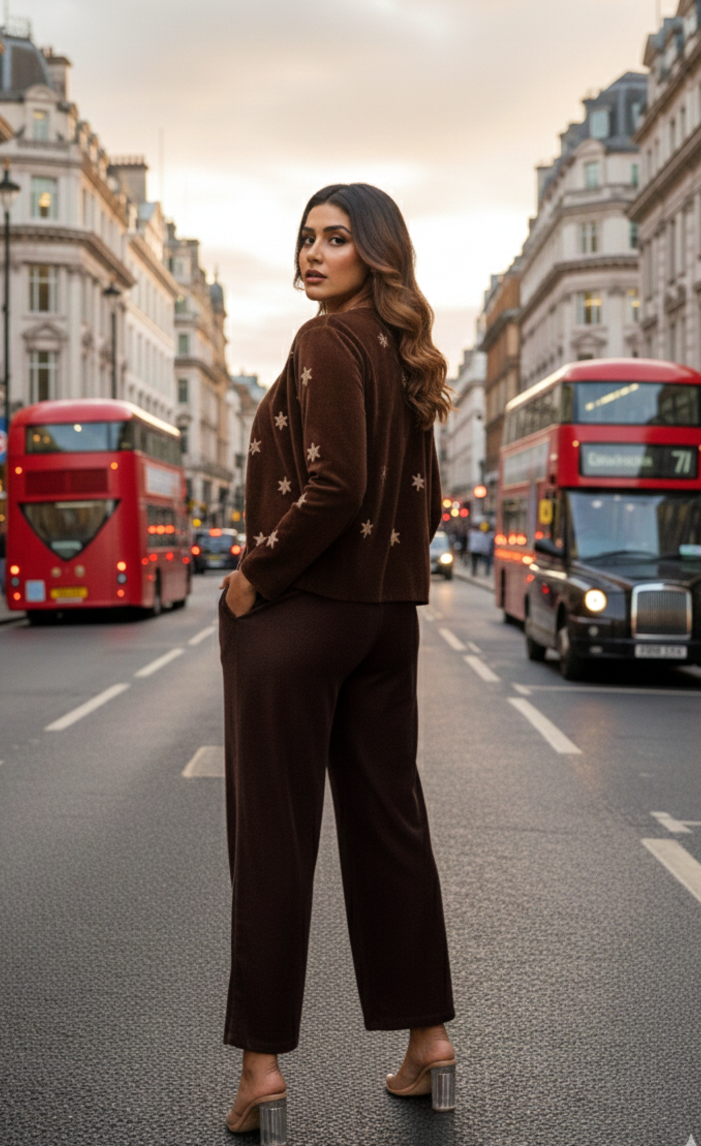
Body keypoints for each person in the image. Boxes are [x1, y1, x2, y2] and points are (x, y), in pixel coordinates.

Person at [219, 183, 456, 1139]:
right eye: (307, 237)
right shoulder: (406, 355)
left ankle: (262, 1071)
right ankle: (428, 1040)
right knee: (391, 827)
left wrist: (255, 577)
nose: (313, 254)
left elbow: (336, 486)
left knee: (273, 838)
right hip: (386, 624)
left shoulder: (324, 342)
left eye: (337, 238)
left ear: (375, 253)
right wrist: (382, 579)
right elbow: (423, 504)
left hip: (304, 617)